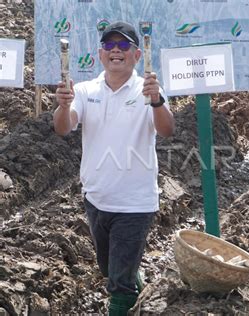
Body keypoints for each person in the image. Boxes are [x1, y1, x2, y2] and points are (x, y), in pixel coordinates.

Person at [54, 21, 175, 315]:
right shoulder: (84, 90)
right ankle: (135, 278)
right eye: (110, 45)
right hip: (96, 198)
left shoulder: (148, 90)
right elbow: (64, 128)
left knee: (118, 285)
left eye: (123, 46)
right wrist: (61, 105)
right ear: (100, 54)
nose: (116, 51)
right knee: (110, 269)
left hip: (135, 203)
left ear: (136, 55)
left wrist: (156, 101)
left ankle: (124, 301)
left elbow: (167, 129)